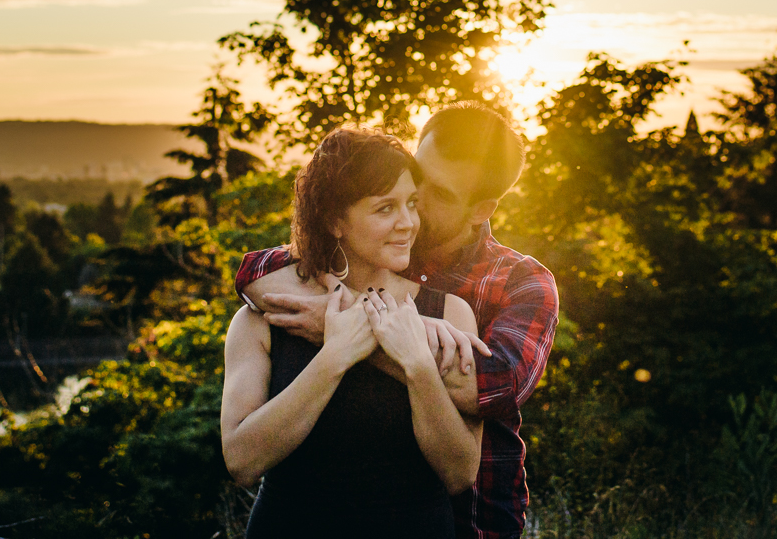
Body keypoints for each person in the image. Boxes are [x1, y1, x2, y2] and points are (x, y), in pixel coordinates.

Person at [237, 102, 559, 539]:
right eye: (415, 181)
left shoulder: (521, 283)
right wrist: (390, 325)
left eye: (437, 195)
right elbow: (257, 273)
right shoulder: (373, 250)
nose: (415, 208)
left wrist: (371, 332)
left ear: (481, 208)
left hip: (469, 521)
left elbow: (488, 385)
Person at [222, 127, 483, 538]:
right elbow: (241, 461)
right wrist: (334, 357)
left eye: (411, 204)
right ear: (334, 220)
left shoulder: (451, 315)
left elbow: (460, 473)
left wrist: (417, 365)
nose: (408, 223)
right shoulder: (267, 318)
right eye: (385, 209)